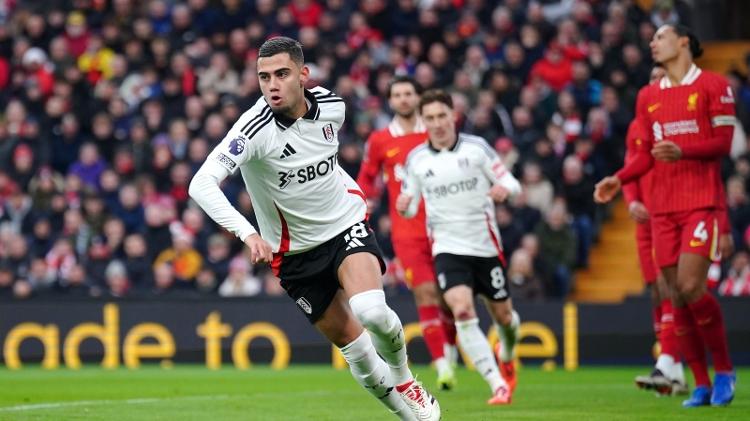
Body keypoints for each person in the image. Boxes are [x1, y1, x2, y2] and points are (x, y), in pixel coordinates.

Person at [189, 37, 440, 421]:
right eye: (264, 77)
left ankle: (407, 380)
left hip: (345, 226)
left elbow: (324, 159)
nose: (272, 84)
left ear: (303, 76)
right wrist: (248, 233)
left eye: (282, 74)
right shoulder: (253, 130)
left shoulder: (333, 107)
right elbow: (201, 184)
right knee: (355, 349)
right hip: (293, 255)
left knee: (371, 310)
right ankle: (409, 417)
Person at [594, 25, 736, 407]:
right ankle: (701, 382)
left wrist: (683, 153)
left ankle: (724, 370)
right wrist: (617, 179)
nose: (653, 44)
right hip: (662, 210)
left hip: (700, 203)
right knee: (676, 294)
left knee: (691, 287)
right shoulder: (648, 96)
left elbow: (724, 143)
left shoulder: (714, 85)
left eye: (660, 37)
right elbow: (645, 155)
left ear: (684, 42)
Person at [396, 89, 522, 406]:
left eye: (442, 116)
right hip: (447, 248)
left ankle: (506, 353)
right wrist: (404, 206)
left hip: (485, 246)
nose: (437, 123)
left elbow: (512, 182)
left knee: (504, 318)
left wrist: (503, 190)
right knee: (462, 310)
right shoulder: (417, 160)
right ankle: (498, 385)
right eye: (430, 118)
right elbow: (410, 206)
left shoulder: (477, 149)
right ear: (423, 122)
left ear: (454, 116)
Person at [356, 75, 458, 390]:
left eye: (408, 93)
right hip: (407, 233)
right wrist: (361, 211)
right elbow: (366, 179)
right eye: (397, 94)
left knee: (450, 301)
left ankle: (449, 354)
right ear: (390, 101)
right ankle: (443, 367)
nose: (403, 99)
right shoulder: (380, 141)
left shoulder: (435, 134)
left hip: (446, 227)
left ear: (418, 97)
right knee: (425, 294)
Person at [625, 66, 688, 396]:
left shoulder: (682, 121)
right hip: (644, 219)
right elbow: (631, 165)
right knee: (654, 288)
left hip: (671, 213)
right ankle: (674, 368)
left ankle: (666, 360)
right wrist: (631, 199)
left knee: (669, 285)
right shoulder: (637, 125)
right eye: (650, 78)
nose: (653, 84)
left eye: (660, 78)